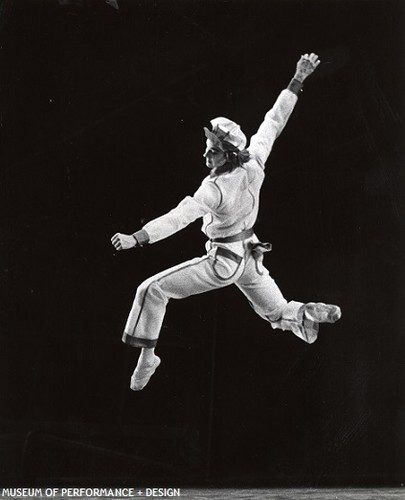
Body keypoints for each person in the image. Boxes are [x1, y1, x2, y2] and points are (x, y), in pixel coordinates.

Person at [111, 53, 341, 391]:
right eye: (207, 149)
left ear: (228, 154)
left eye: (213, 151)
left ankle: (148, 358)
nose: (206, 156)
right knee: (276, 312)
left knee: (151, 289)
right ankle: (305, 312)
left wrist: (137, 237)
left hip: (223, 262)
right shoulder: (255, 161)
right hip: (251, 255)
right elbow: (273, 122)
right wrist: (297, 80)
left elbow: (179, 217)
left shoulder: (215, 188)